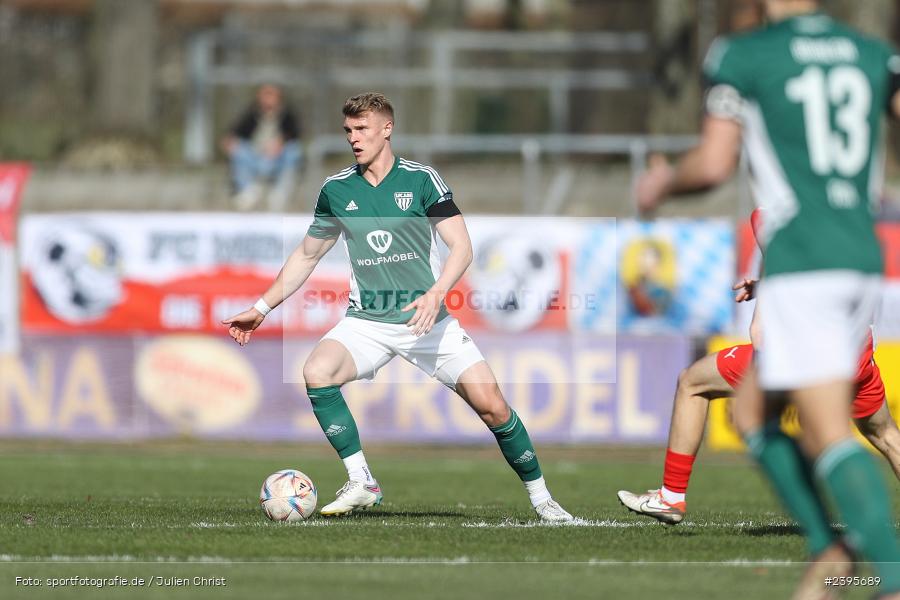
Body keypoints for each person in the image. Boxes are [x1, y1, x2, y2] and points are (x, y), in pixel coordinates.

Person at [635, 0, 900, 596]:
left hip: (807, 256)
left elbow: (712, 164)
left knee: (827, 429)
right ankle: (833, 548)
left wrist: (660, 182)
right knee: (753, 409)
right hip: (861, 255)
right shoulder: (870, 52)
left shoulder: (744, 52)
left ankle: (877, 567)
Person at [222, 92, 573, 522]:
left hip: (428, 320)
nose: (354, 138)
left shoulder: (421, 180)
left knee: (494, 407)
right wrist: (261, 307)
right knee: (317, 371)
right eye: (348, 130)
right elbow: (307, 256)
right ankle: (361, 480)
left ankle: (543, 501)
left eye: (362, 129)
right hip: (367, 322)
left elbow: (462, 248)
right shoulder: (336, 190)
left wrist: (436, 293)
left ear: (387, 129)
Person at [617, 290, 900, 525]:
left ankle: (671, 496)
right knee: (886, 434)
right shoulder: (847, 228)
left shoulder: (775, 222)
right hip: (856, 354)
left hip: (808, 354)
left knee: (692, 382)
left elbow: (766, 311)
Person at [221, 84, 302, 212]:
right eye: (265, 95)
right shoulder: (252, 113)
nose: (267, 99)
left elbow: (295, 134)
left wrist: (280, 143)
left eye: (271, 95)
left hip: (278, 159)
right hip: (255, 157)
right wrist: (230, 141)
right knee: (238, 149)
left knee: (294, 151)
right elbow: (235, 132)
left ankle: (280, 194)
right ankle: (247, 192)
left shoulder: (287, 115)